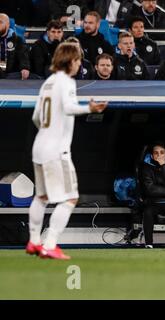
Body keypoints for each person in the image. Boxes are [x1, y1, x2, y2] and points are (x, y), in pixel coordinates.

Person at [25, 42, 108, 260]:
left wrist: (48, 131)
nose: (80, 64)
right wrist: (89, 108)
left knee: (41, 197)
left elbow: (35, 117)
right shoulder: (66, 82)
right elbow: (69, 108)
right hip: (56, 151)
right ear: (70, 61)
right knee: (71, 197)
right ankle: (50, 243)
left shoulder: (48, 83)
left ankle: (34, 241)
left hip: (39, 146)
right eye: (78, 60)